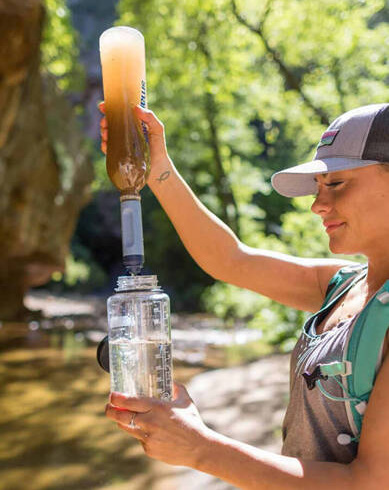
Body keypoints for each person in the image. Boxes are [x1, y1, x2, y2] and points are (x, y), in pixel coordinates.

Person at [100, 102, 389, 489]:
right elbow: (232, 260)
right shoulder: (343, 284)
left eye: (336, 183)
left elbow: (369, 482)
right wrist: (158, 170)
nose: (318, 205)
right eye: (318, 188)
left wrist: (199, 448)